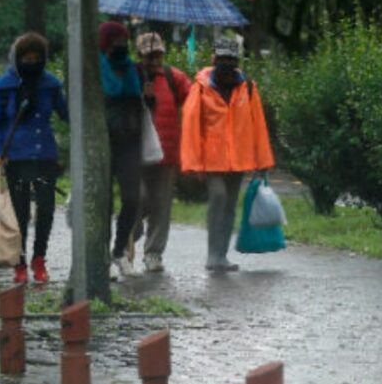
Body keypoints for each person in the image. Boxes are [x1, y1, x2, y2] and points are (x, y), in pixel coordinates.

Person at [180, 34, 275, 271]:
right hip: (211, 159)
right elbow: (191, 126)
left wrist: (262, 160)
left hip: (239, 159)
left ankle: (221, 256)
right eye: (222, 58)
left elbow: (258, 125)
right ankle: (212, 255)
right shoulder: (200, 88)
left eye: (231, 59)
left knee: (231, 204)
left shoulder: (248, 87)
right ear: (214, 58)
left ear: (237, 61)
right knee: (219, 198)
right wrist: (193, 162)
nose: (226, 63)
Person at [0, 33, 68, 285]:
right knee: (19, 213)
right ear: (18, 58)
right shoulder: (3, 86)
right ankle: (19, 261)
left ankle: (39, 258)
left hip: (44, 154)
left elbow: (67, 114)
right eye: (27, 58)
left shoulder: (51, 85)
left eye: (36, 58)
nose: (31, 63)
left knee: (46, 208)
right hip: (16, 157)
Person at [134, 32, 191, 273]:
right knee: (136, 200)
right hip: (136, 153)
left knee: (161, 205)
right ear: (140, 56)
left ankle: (153, 253)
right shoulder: (131, 75)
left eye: (158, 55)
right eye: (149, 56)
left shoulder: (173, 77)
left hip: (167, 153)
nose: (154, 60)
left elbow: (193, 100)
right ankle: (127, 240)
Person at [99, 21, 143, 281]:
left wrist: (147, 96)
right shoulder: (94, 68)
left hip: (130, 141)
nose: (120, 45)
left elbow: (139, 105)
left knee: (132, 198)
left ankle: (119, 250)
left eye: (123, 40)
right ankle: (102, 255)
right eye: (114, 40)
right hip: (104, 142)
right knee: (103, 203)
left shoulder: (133, 69)